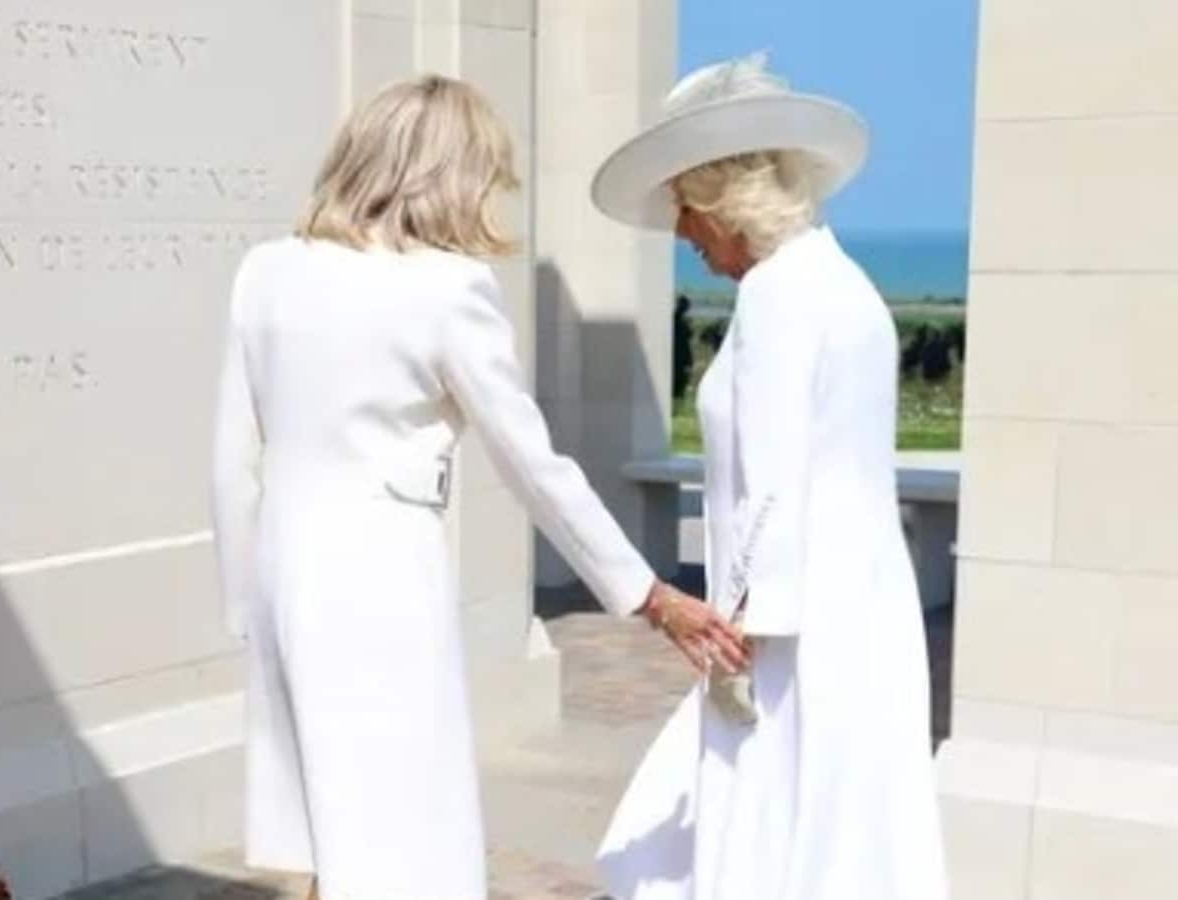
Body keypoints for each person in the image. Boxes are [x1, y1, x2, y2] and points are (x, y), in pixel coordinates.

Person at [209, 74, 749, 900]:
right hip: (383, 574)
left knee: (330, 833)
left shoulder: (266, 271)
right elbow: (533, 466)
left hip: (287, 570)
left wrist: (247, 606)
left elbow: (230, 460)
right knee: (400, 830)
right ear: (453, 175)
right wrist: (650, 595)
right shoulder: (445, 288)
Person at [590, 54, 947, 899]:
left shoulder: (779, 294)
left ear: (722, 199)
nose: (682, 235)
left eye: (684, 209)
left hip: (791, 636)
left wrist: (739, 627)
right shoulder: (845, 283)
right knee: (839, 834)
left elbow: (774, 479)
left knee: (769, 829)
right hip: (860, 609)